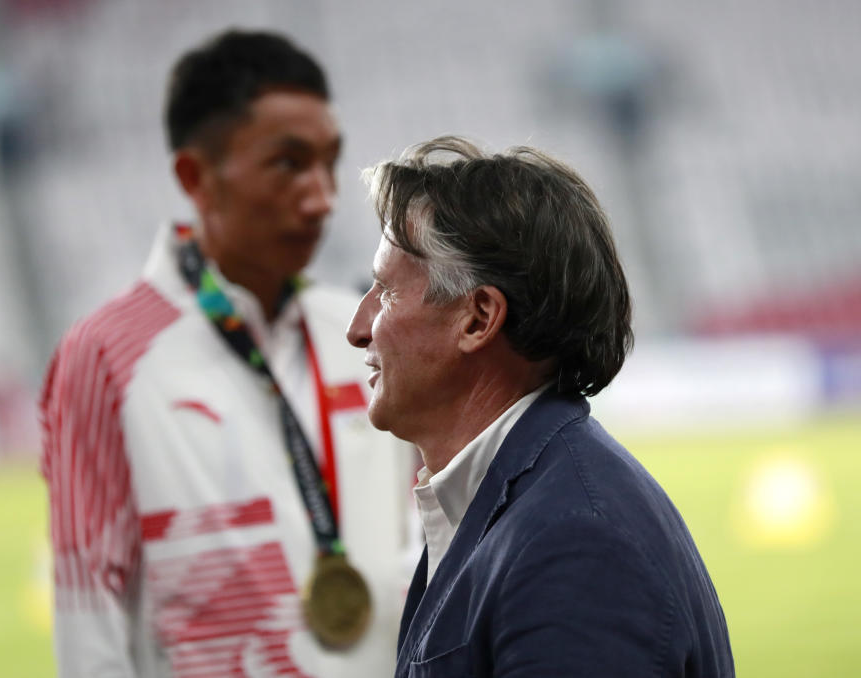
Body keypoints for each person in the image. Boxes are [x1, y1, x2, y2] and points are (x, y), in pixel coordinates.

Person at [39, 30, 413, 678]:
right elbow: (87, 610)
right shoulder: (105, 357)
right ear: (196, 176)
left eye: (329, 163)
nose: (322, 196)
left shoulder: (363, 333)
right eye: (289, 163)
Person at [346, 135, 735, 677]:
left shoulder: (574, 545)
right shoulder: (527, 504)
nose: (357, 329)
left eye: (385, 292)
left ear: (479, 319)